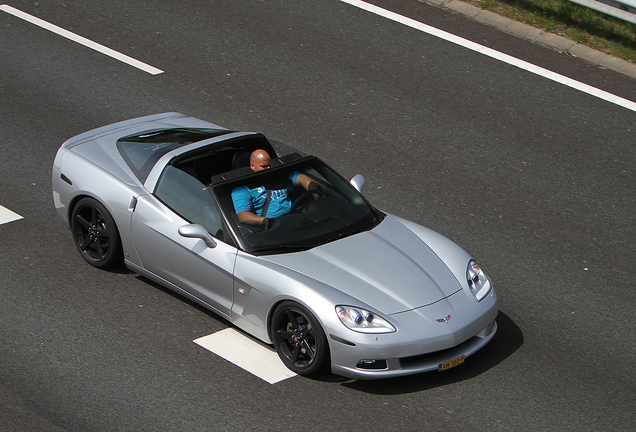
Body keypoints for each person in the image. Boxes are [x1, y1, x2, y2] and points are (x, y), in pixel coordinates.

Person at [231, 149, 318, 228]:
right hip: (273, 227)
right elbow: (243, 216)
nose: (268, 168)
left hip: (293, 219)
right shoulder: (242, 189)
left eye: (270, 165)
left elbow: (303, 179)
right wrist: (267, 221)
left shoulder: (280, 176)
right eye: (264, 166)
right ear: (252, 166)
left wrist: (315, 194)